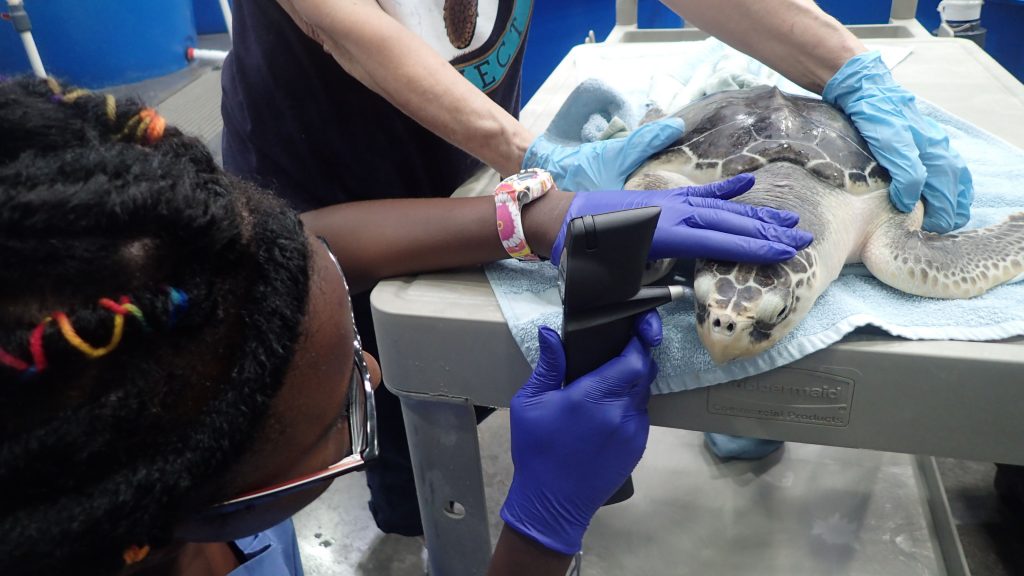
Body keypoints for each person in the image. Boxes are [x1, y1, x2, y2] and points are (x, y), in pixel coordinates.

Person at [0, 77, 812, 575]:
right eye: (345, 410)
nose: (377, 375)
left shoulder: (160, 476)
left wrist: (537, 218)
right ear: (218, 501)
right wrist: (539, 530)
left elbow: (314, 245)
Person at [220, 0, 975, 526]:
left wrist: (849, 66)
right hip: (322, 161)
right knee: (388, 400)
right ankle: (420, 517)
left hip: (473, 154)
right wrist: (533, 164)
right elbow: (340, 23)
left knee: (573, 364)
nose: (716, 325)